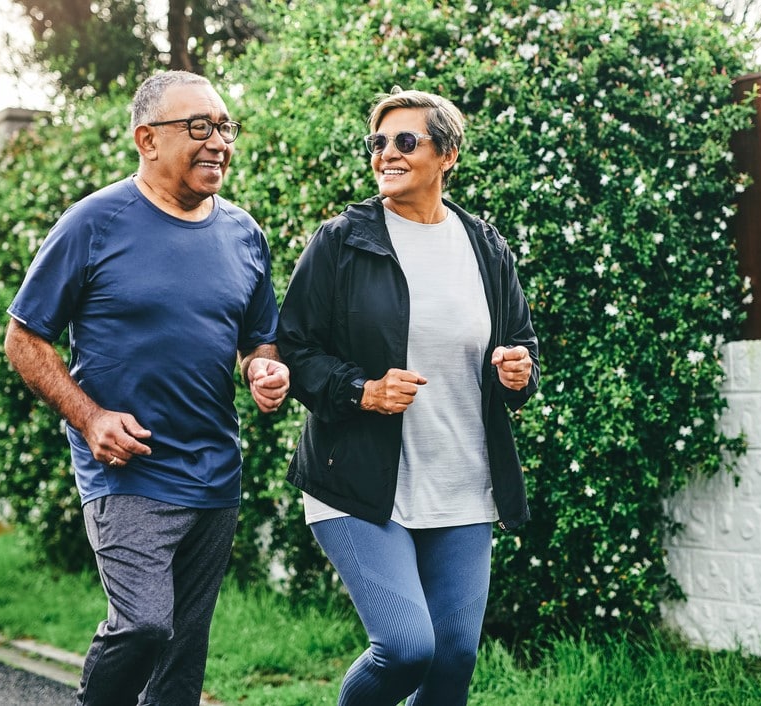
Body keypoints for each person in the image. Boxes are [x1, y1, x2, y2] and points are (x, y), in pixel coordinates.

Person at [3, 70, 289, 706]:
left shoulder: (244, 234)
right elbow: (24, 339)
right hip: (127, 467)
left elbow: (257, 339)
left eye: (225, 127)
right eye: (199, 127)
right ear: (147, 139)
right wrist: (90, 418)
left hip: (215, 468)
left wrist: (264, 369)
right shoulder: (94, 223)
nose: (218, 141)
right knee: (143, 624)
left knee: (182, 658)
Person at [277, 88, 540, 705]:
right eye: (377, 143)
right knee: (405, 648)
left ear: (447, 154)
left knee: (452, 661)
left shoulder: (485, 246)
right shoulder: (342, 241)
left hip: (462, 486)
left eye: (404, 141)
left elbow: (521, 344)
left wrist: (517, 371)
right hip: (361, 484)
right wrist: (361, 390)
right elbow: (293, 347)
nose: (385, 154)